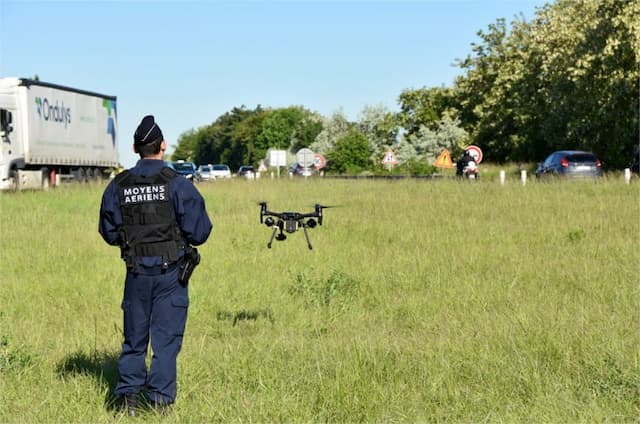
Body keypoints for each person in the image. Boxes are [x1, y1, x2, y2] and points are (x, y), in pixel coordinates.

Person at [99, 115, 212, 415]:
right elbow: (200, 232)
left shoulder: (118, 185)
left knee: (134, 338)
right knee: (166, 341)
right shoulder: (177, 184)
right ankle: (160, 404)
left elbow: (108, 232)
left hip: (136, 273)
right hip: (171, 274)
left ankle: (130, 401)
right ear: (163, 145)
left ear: (136, 148)